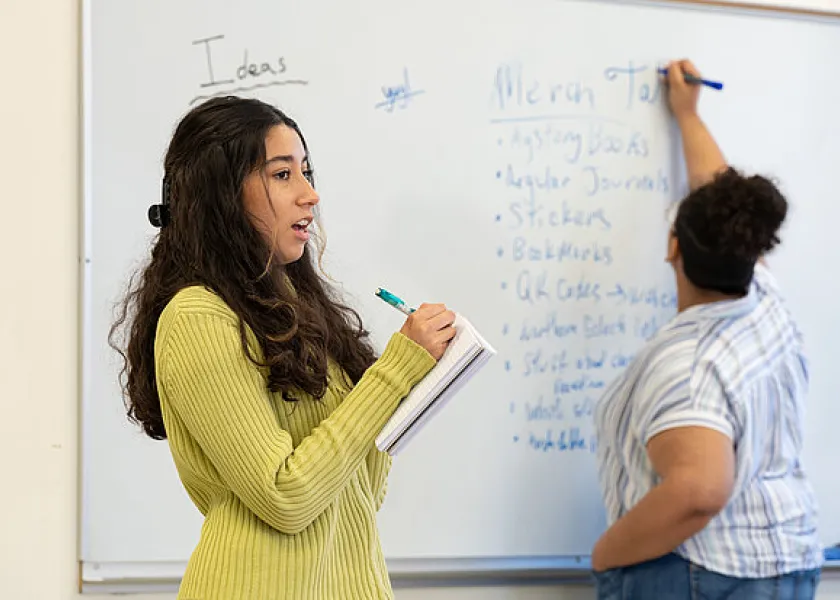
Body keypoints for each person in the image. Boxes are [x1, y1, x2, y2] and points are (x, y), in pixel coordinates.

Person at [110, 96, 456, 600]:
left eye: (307, 171)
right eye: (282, 174)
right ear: (224, 195)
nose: (310, 194)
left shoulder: (298, 310)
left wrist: (415, 386)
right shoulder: (197, 318)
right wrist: (394, 375)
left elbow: (361, 488)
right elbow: (285, 497)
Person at [591, 60, 823, 599]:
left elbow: (699, 489)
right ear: (751, 251)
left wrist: (607, 556)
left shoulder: (688, 363)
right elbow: (717, 192)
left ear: (673, 248)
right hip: (784, 565)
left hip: (704, 576)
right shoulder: (764, 302)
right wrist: (688, 117)